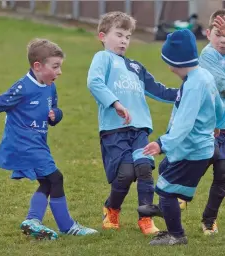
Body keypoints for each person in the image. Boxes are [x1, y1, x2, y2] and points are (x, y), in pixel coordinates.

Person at [0, 38, 98, 240]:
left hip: (38, 144)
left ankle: (32, 220)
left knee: (48, 182)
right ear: (37, 66)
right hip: (24, 144)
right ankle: (67, 226)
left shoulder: (50, 87)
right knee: (55, 177)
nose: (59, 72)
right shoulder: (22, 88)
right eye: (55, 66)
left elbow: (55, 111)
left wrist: (55, 115)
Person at [87, 11, 178, 235]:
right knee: (126, 173)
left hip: (140, 129)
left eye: (127, 37)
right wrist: (116, 103)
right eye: (118, 35)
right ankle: (111, 208)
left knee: (145, 169)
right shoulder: (103, 59)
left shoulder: (136, 67)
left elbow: (159, 91)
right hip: (114, 130)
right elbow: (94, 82)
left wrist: (188, 92)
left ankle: (146, 219)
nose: (123, 41)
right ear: (102, 36)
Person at [139, 29, 224, 245]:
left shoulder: (194, 86)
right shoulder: (202, 75)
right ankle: (168, 208)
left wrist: (161, 143)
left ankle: (176, 235)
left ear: (174, 62)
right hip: (196, 147)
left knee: (166, 190)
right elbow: (218, 105)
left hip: (192, 149)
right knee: (165, 170)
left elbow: (184, 124)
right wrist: (219, 125)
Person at [197, 10, 225, 235]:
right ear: (208, 33)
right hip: (207, 129)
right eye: (219, 34)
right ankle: (175, 197)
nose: (223, 39)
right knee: (194, 167)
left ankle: (209, 219)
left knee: (223, 176)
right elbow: (221, 82)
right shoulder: (207, 56)